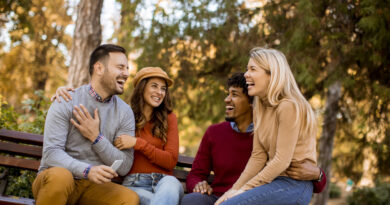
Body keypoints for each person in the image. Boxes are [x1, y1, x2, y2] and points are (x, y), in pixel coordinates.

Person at [181, 73, 326, 205]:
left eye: (234, 95)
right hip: (219, 197)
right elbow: (196, 174)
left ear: (252, 102)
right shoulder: (214, 132)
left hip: (253, 199)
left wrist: (317, 174)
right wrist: (198, 184)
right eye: (228, 94)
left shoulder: (269, 133)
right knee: (192, 200)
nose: (227, 99)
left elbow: (294, 175)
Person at [54, 67, 184, 205]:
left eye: (163, 88)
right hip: (134, 185)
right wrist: (65, 93)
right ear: (142, 87)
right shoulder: (124, 115)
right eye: (154, 86)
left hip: (165, 183)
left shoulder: (169, 119)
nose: (159, 92)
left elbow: (170, 160)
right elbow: (93, 104)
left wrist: (137, 143)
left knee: (170, 185)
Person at [32, 44, 139, 205]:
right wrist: (87, 171)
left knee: (129, 199)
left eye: (127, 68)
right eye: (120, 67)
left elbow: (124, 166)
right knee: (61, 177)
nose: (126, 73)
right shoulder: (67, 100)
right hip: (56, 180)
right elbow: (51, 153)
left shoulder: (125, 112)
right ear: (99, 68)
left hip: (92, 187)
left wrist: (97, 138)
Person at [215, 48, 320, 205]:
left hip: (294, 185)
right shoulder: (260, 108)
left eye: (253, 69)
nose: (246, 74)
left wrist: (243, 191)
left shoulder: (288, 106)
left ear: (271, 75)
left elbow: (281, 161)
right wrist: (233, 190)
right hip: (273, 183)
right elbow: (258, 156)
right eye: (246, 69)